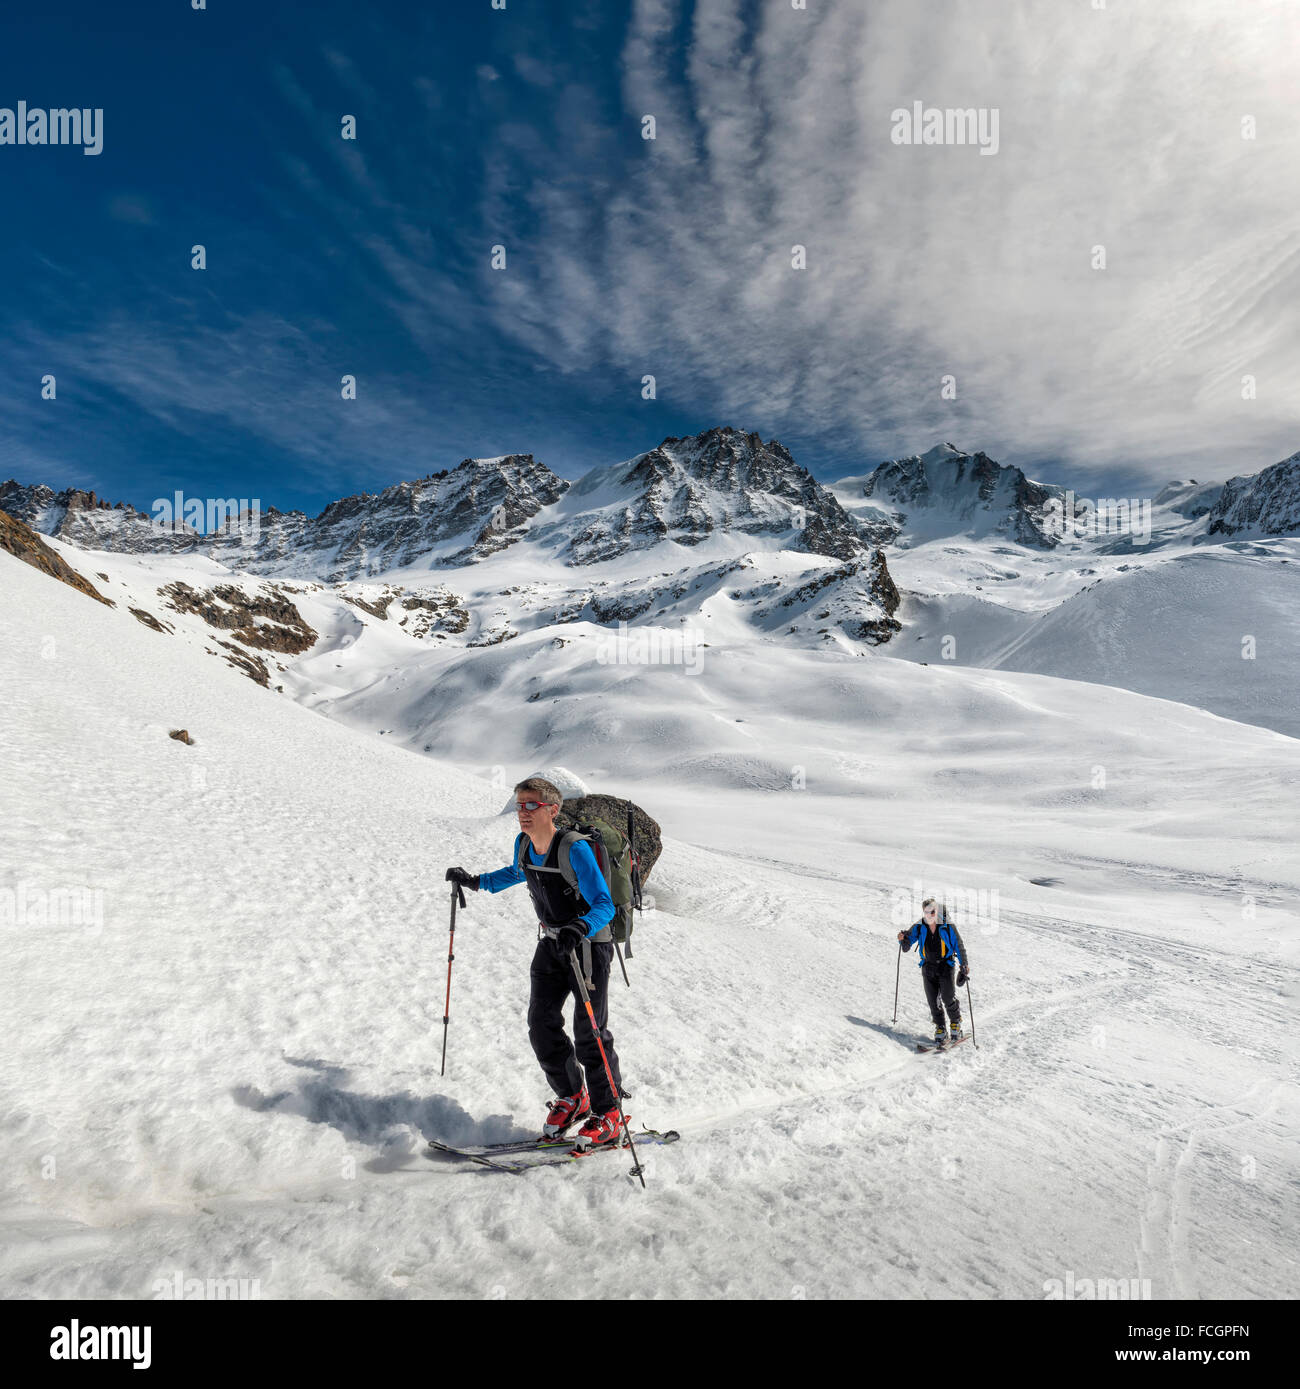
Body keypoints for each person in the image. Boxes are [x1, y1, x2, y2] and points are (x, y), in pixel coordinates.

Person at [444, 777, 626, 1149]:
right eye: (519, 805)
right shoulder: (524, 843)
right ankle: (573, 1097)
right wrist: (476, 881)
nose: (522, 813)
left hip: (589, 946)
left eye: (530, 805)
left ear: (552, 809)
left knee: (589, 1030)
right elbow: (517, 872)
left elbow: (604, 905)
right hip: (553, 943)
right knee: (540, 1023)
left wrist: (580, 926)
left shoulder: (574, 849)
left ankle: (608, 1113)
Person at [897, 898, 970, 1043]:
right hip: (928, 966)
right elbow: (907, 944)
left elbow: (959, 945)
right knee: (933, 1000)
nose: (929, 914)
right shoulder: (920, 926)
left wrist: (964, 965)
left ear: (937, 911)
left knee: (948, 997)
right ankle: (940, 1028)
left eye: (932, 911)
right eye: (926, 912)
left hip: (945, 966)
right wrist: (902, 938)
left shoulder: (948, 926)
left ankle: (955, 1023)